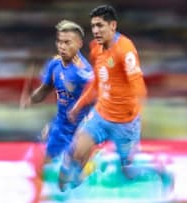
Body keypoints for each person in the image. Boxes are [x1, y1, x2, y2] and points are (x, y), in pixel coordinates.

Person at [58, 5, 173, 195]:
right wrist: (78, 106)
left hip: (125, 124)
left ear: (113, 26)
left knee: (128, 172)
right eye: (93, 26)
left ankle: (160, 171)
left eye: (100, 26)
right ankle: (74, 184)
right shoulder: (96, 49)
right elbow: (97, 82)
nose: (95, 31)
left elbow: (138, 85)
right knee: (77, 149)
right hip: (101, 115)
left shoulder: (125, 49)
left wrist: (139, 114)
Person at [21, 19, 94, 164]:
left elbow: (99, 100)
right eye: (60, 42)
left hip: (80, 130)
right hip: (60, 127)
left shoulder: (84, 72)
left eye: (67, 42)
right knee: (41, 166)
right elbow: (45, 89)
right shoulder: (54, 64)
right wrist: (31, 99)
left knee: (73, 174)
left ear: (79, 44)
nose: (62, 46)